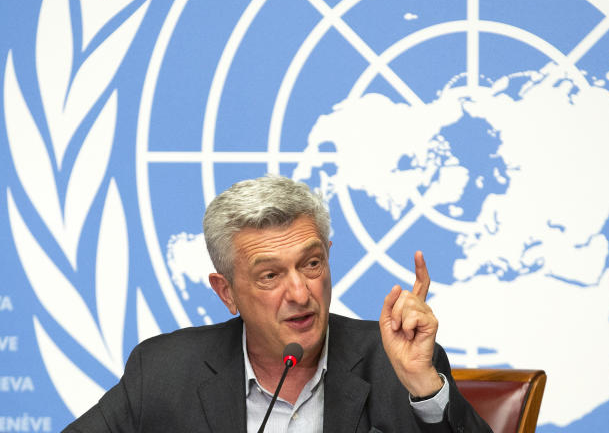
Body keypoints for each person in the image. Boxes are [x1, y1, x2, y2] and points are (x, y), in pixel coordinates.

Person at [64, 175, 492, 432]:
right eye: (270, 275)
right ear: (226, 291)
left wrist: (423, 386)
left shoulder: (395, 364)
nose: (301, 293)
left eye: (311, 263)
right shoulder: (164, 371)